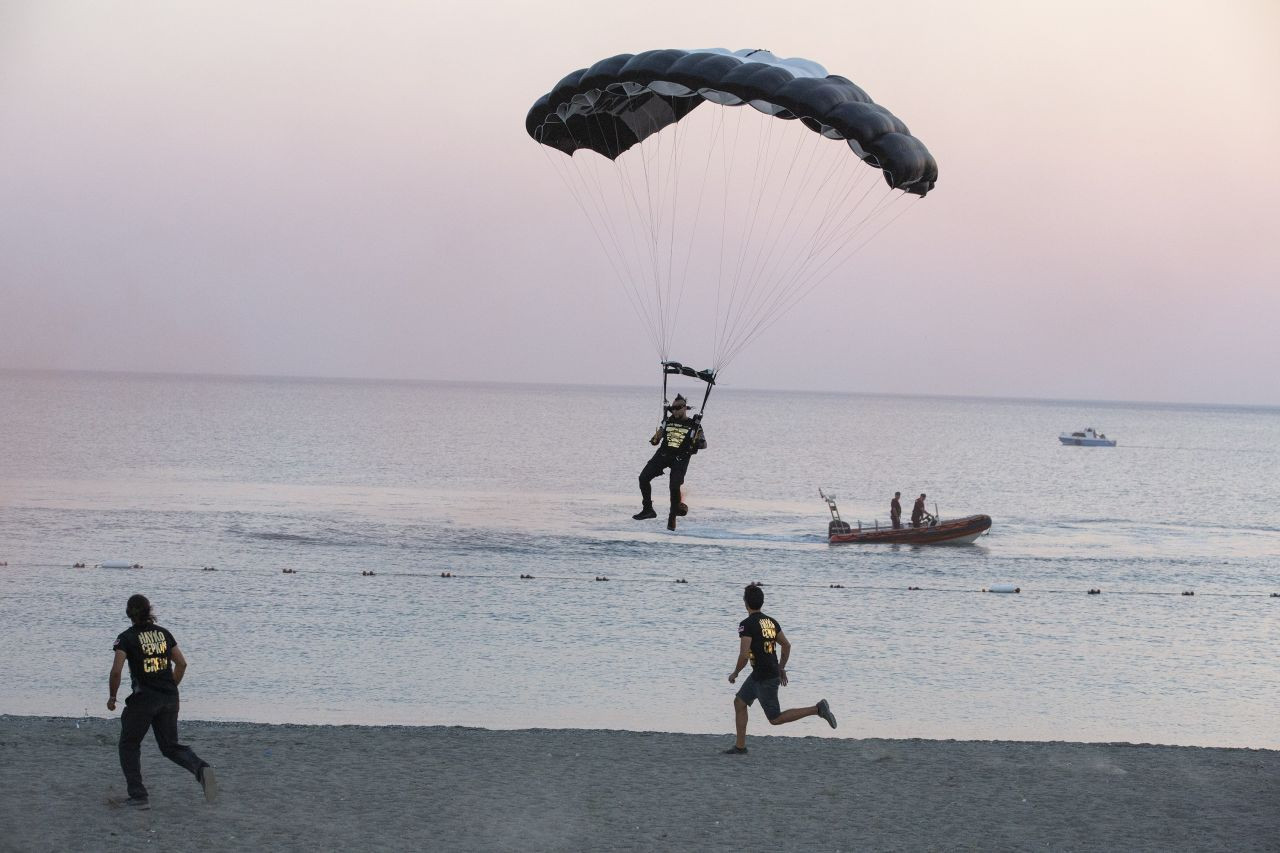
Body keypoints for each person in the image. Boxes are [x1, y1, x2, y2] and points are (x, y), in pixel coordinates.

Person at [108, 594, 217, 809]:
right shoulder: (164, 634)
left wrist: (112, 696)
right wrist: (170, 687)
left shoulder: (126, 638)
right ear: (149, 611)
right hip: (169, 698)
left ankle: (138, 796)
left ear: (128, 613)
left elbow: (116, 671)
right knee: (170, 747)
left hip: (143, 700)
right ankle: (200, 768)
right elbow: (182, 664)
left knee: (129, 745)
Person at [724, 584, 836, 754]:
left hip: (766, 678)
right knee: (739, 702)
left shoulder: (746, 624)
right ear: (761, 602)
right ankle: (740, 747)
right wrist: (781, 667)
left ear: (745, 603)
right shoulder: (771, 622)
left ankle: (818, 709)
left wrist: (735, 673)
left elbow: (744, 655)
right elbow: (786, 645)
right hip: (760, 674)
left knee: (775, 719)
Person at [632, 394, 707, 531]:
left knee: (674, 486)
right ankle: (648, 509)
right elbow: (657, 438)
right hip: (664, 454)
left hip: (681, 457)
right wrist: (655, 439)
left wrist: (696, 443)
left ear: (685, 408)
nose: (674, 410)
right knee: (643, 477)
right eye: (672, 408)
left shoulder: (693, 425)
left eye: (678, 408)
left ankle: (672, 516)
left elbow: (704, 444)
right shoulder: (667, 421)